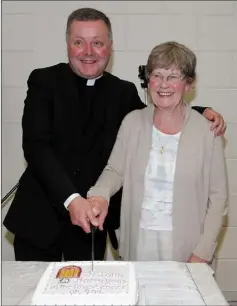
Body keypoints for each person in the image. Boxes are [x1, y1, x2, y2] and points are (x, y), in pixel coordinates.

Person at [4, 8, 226, 262]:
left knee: (85, 299)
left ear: (110, 46)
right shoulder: (43, 81)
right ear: (68, 45)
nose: (88, 52)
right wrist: (72, 199)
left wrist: (200, 111)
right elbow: (36, 147)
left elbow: (154, 113)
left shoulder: (121, 91)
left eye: (97, 43)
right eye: (79, 43)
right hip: (39, 220)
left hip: (91, 226)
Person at [87, 41, 228, 263]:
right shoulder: (132, 122)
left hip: (188, 247)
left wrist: (203, 251)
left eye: (173, 77)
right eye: (157, 75)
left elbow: (219, 198)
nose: (163, 84)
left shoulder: (207, 131)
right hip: (138, 241)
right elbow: (115, 170)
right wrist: (99, 195)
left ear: (188, 84)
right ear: (148, 80)